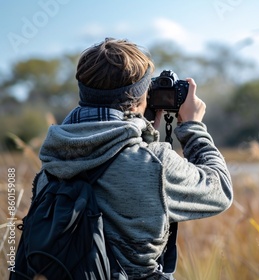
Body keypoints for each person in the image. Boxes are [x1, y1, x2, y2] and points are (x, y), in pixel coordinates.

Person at [35, 38, 233, 279]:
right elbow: (219, 190)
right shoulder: (154, 164)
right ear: (141, 99)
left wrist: (142, 130)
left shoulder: (53, 158)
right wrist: (193, 127)